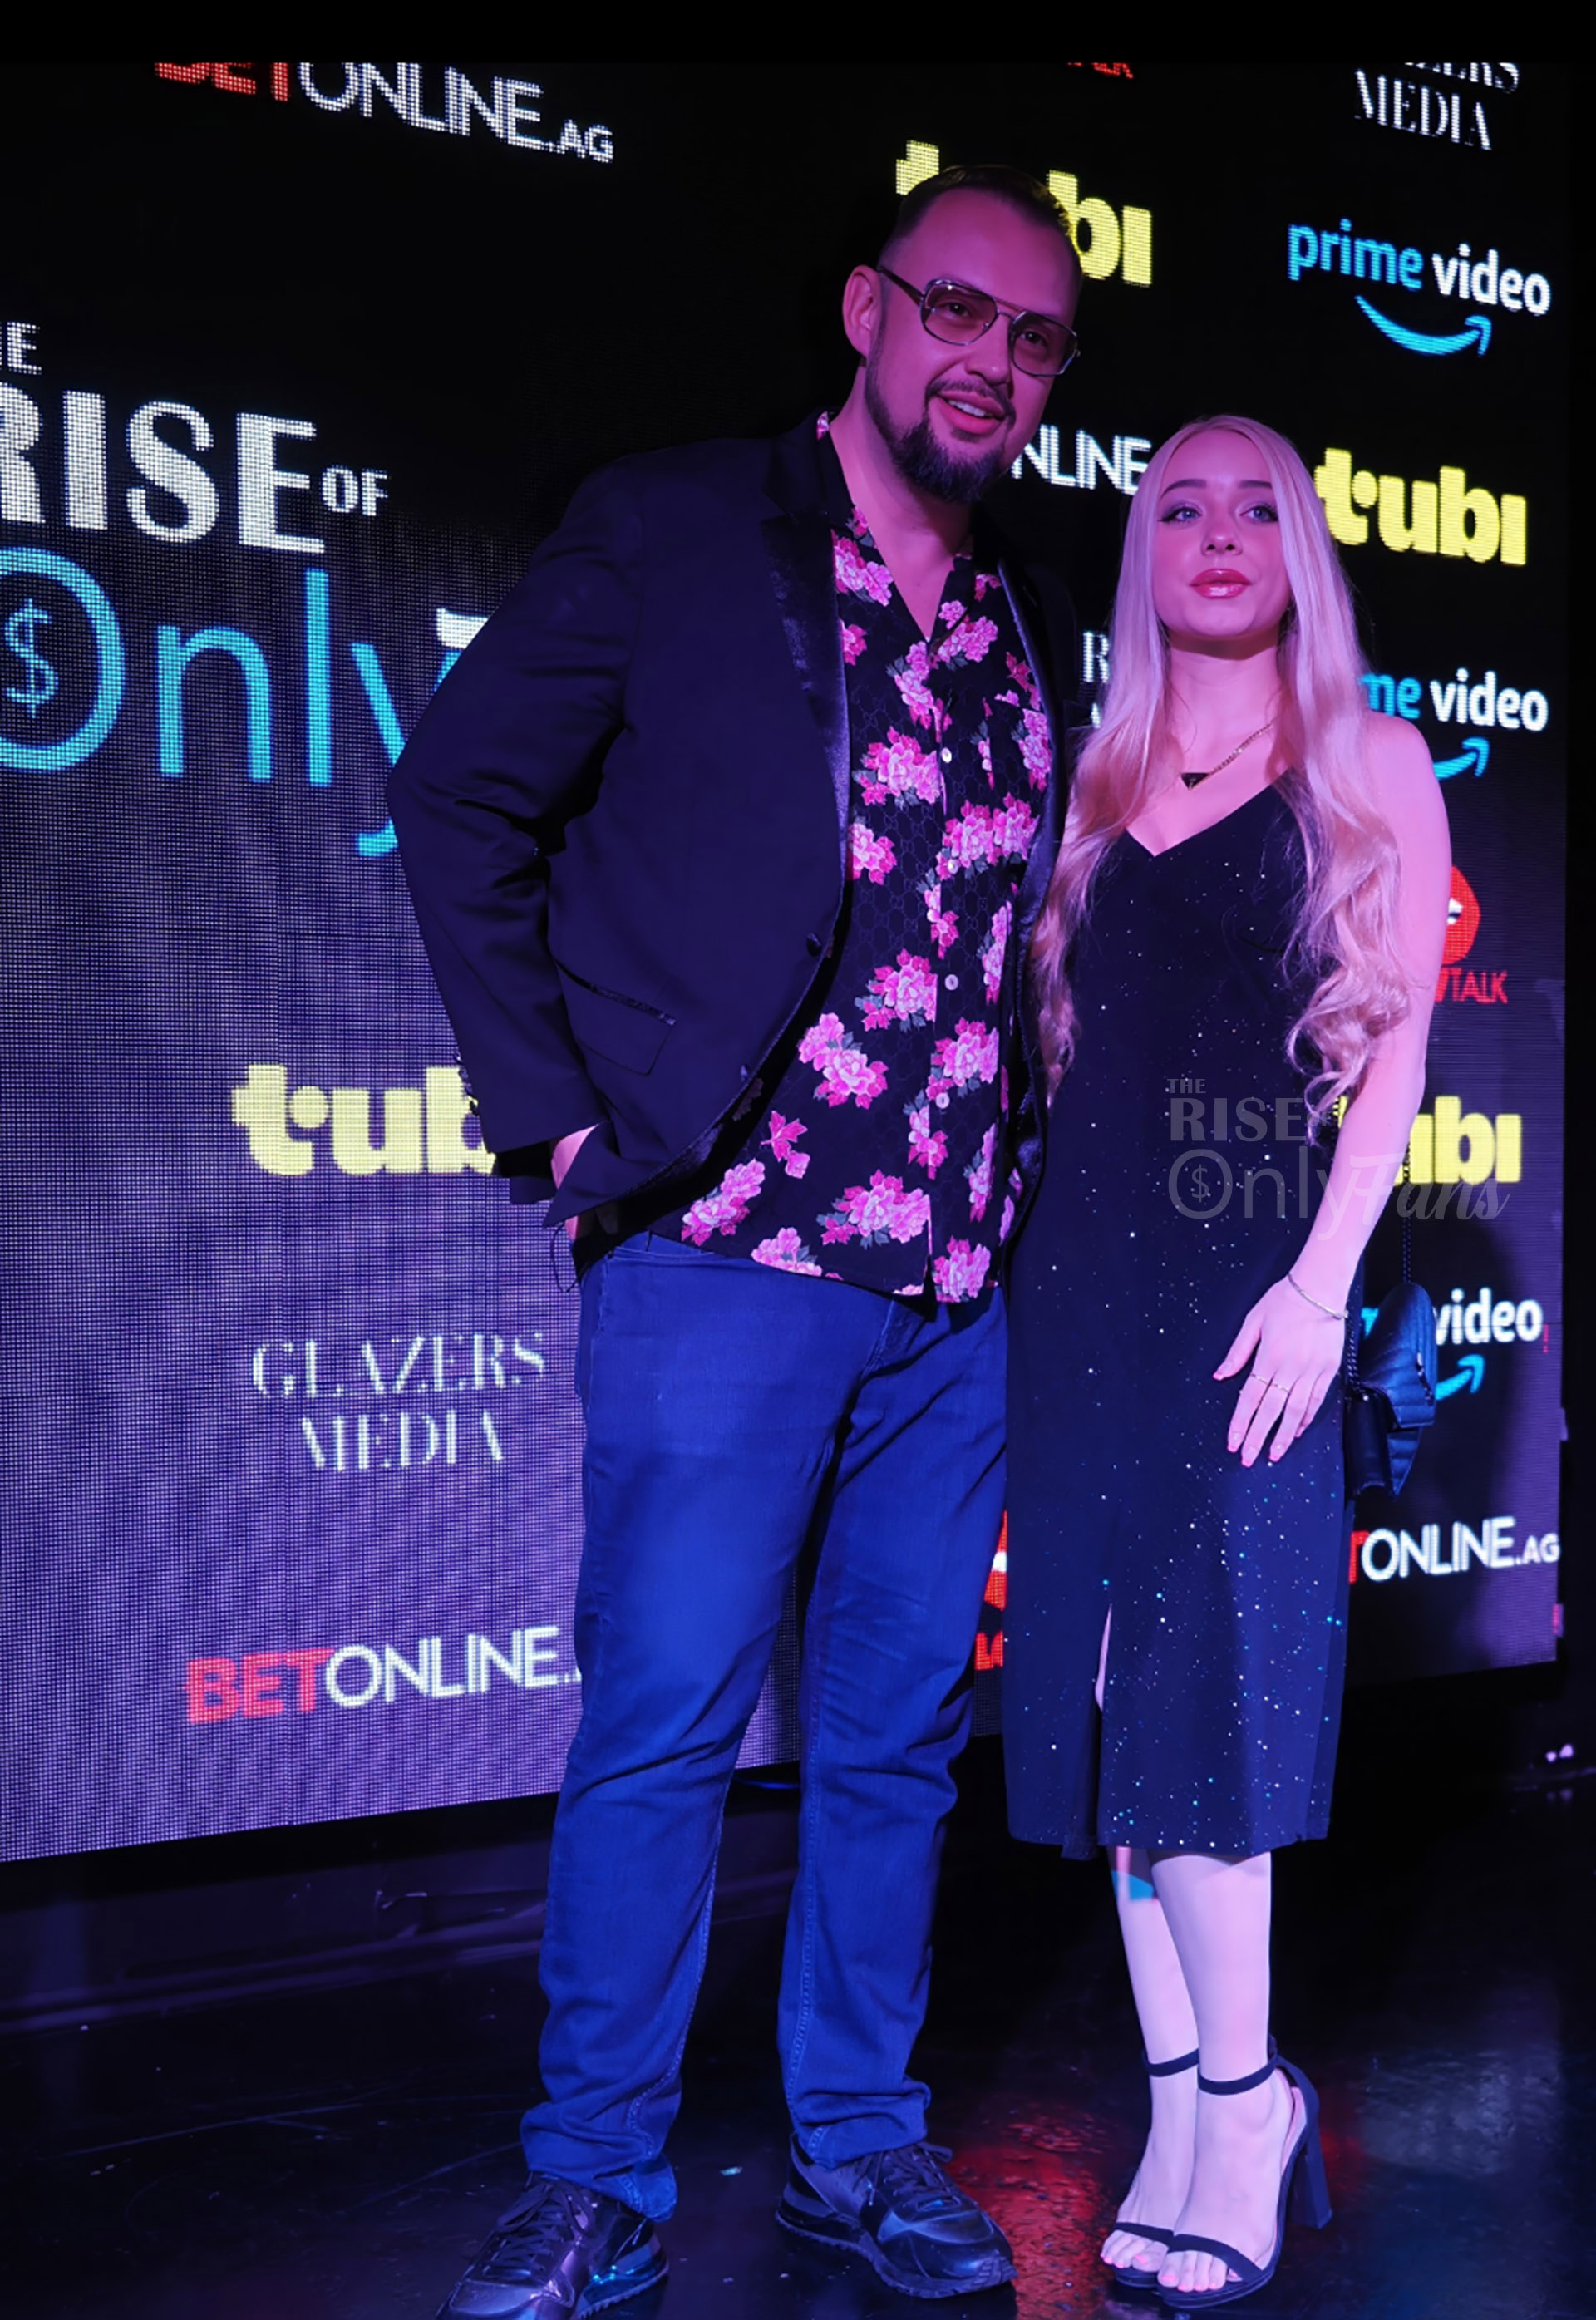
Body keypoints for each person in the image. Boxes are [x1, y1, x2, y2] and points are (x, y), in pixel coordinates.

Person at [389, 165, 1082, 2316]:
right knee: (664, 1730)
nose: (993, 363)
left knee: (893, 1745)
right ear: (868, 313)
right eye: (958, 311)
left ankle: (858, 2143)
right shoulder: (682, 527)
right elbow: (458, 795)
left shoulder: (1025, 609)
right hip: (726, 1251)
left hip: (954, 1286)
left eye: (1038, 339)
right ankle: (594, 2175)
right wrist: (558, 1115)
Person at [1004, 416, 1449, 2308]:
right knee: (1124, 1717)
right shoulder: (1093, 766)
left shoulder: (1367, 757)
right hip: (1077, 1294)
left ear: (1301, 548)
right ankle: (1187, 2114)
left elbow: (1396, 1051)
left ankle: (1249, 2105)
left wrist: (1322, 1287)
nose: (1214, 532)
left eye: (1255, 504)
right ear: (1141, 547)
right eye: (1176, 502)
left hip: (1250, 1289)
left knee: (1209, 1721)